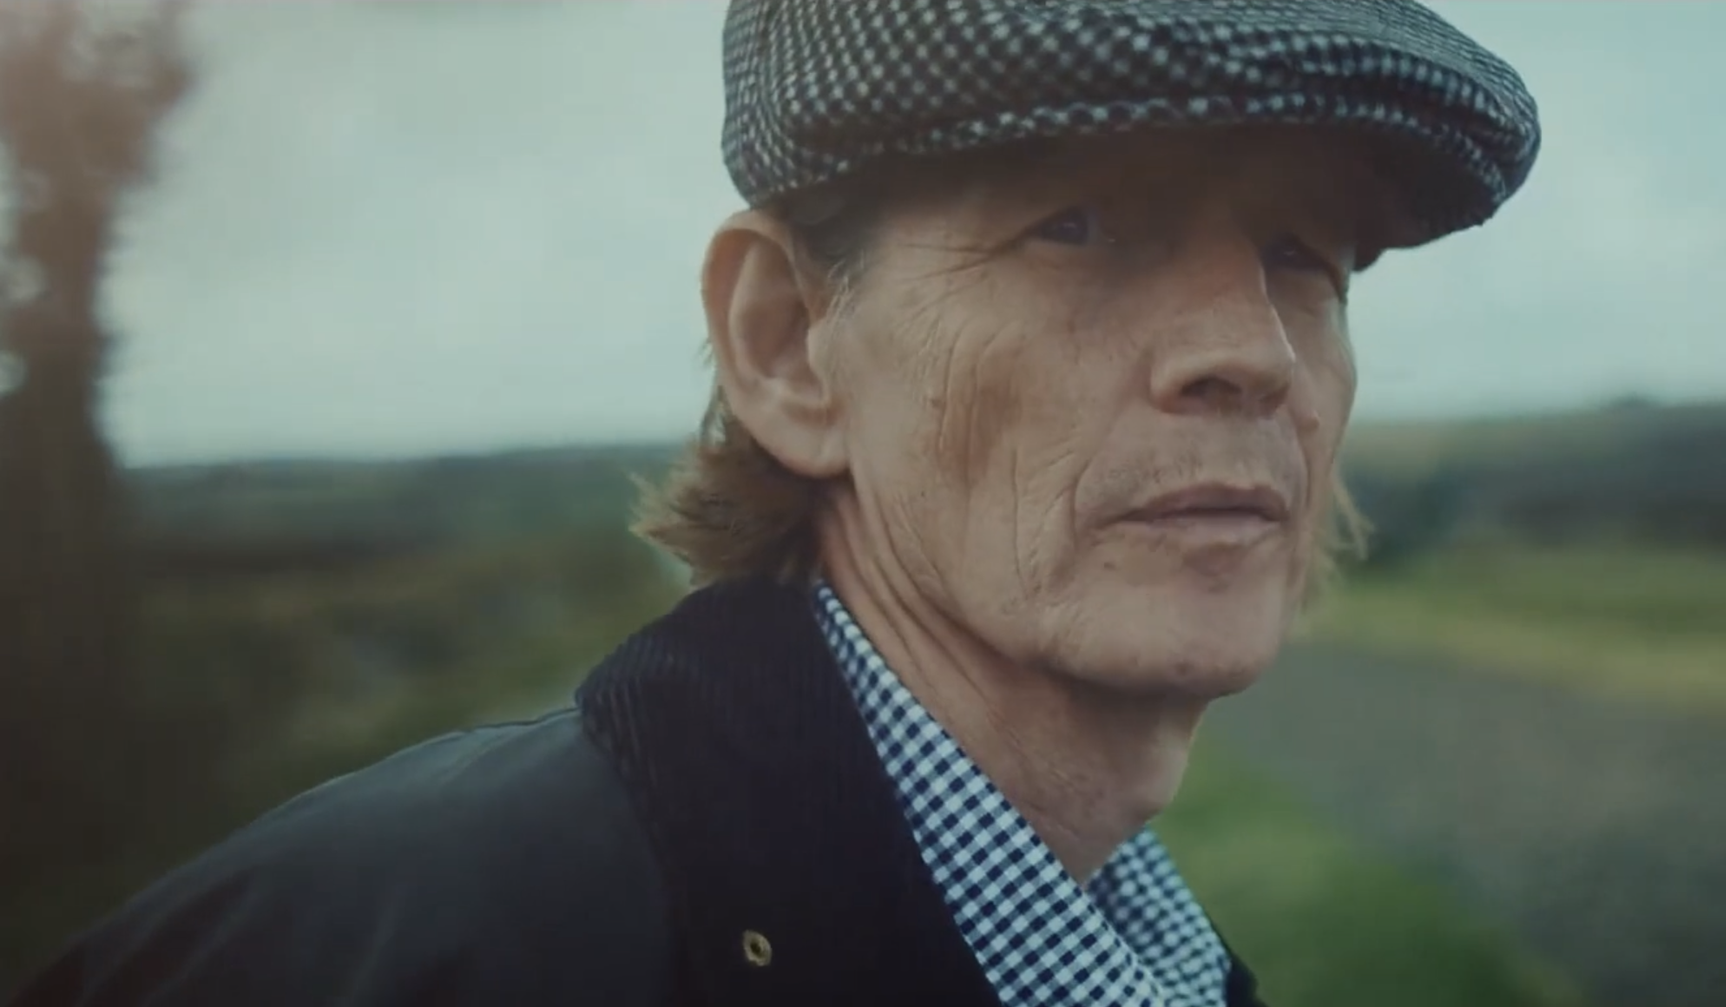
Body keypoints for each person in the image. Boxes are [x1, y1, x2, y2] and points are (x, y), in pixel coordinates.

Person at [6, 1, 1539, 1005]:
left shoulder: (1124, 951)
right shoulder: (375, 958)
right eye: (1078, 225)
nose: (1252, 352)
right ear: (790, 344)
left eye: (1303, 256)